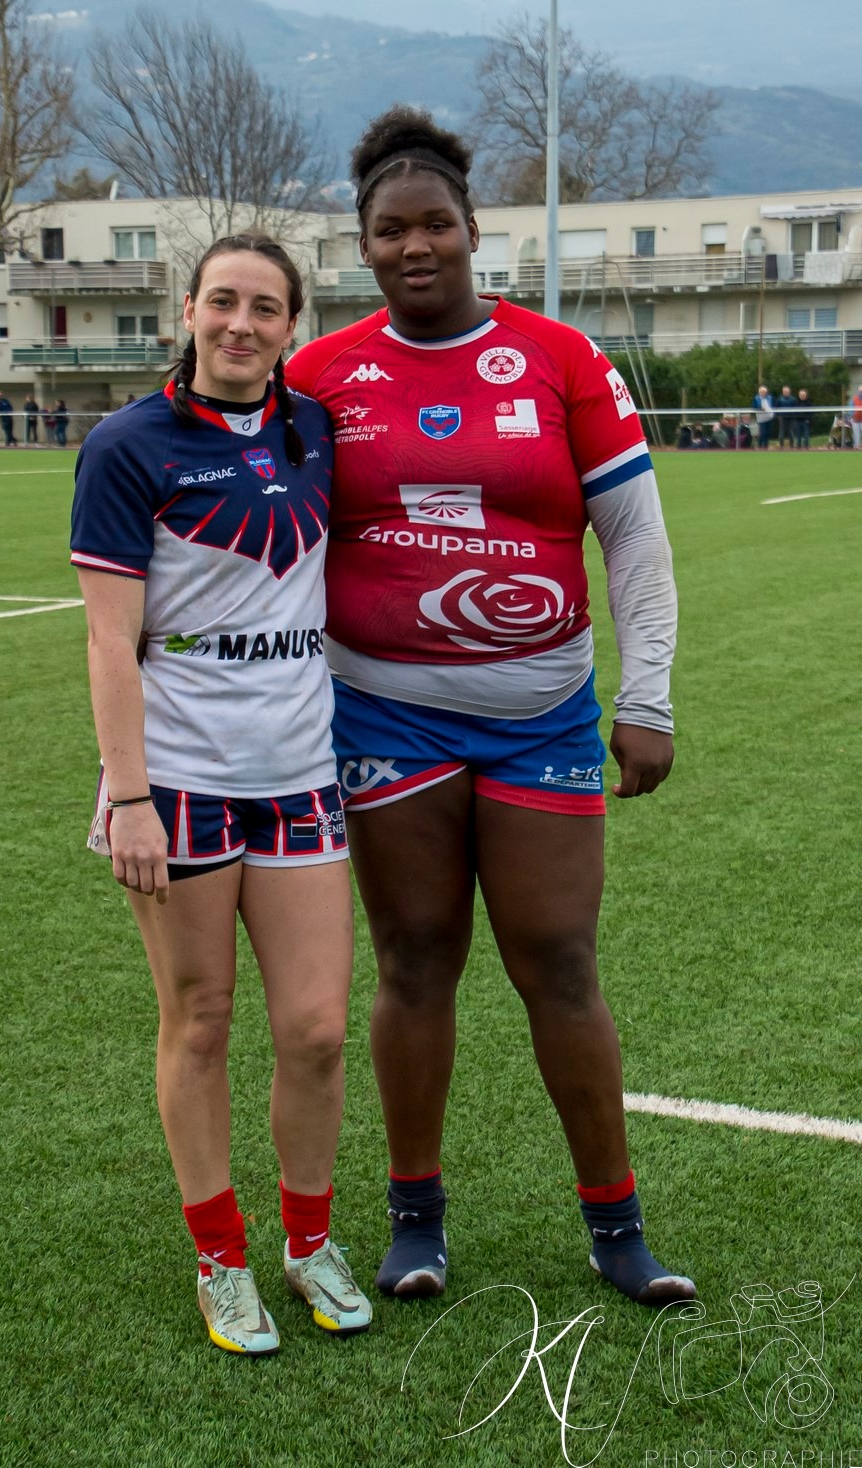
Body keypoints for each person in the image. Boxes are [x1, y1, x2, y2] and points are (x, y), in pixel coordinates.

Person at [286, 106, 694, 1309]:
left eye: (436, 224)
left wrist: (650, 694)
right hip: (385, 720)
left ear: (474, 230)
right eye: (388, 230)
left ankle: (616, 1228)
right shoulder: (321, 374)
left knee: (559, 962)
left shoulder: (560, 358)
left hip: (544, 714)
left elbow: (634, 536)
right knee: (415, 962)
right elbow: (273, 541)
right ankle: (416, 1223)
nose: (416, 246)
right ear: (362, 247)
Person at [70, 233, 372, 1357]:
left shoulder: (314, 429)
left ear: (294, 325)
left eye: (267, 308)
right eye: (223, 302)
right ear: (186, 310)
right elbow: (109, 644)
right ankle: (220, 1256)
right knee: (199, 1023)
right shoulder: (126, 444)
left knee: (318, 1029)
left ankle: (305, 1241)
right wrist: (131, 796)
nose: (242, 324)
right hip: (181, 780)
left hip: (300, 773)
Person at [752, 385, 774, 450]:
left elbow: (773, 405)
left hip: (769, 416)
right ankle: (759, 445)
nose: (763, 393)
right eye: (762, 391)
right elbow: (754, 407)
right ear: (759, 392)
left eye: (764, 391)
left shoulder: (770, 397)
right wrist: (760, 408)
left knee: (768, 432)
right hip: (761, 417)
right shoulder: (756, 398)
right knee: (762, 432)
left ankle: (766, 446)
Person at [852, 385, 862, 451]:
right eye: (861, 391)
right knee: (856, 434)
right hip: (855, 420)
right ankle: (856, 447)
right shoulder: (854, 399)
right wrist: (852, 416)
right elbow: (850, 409)